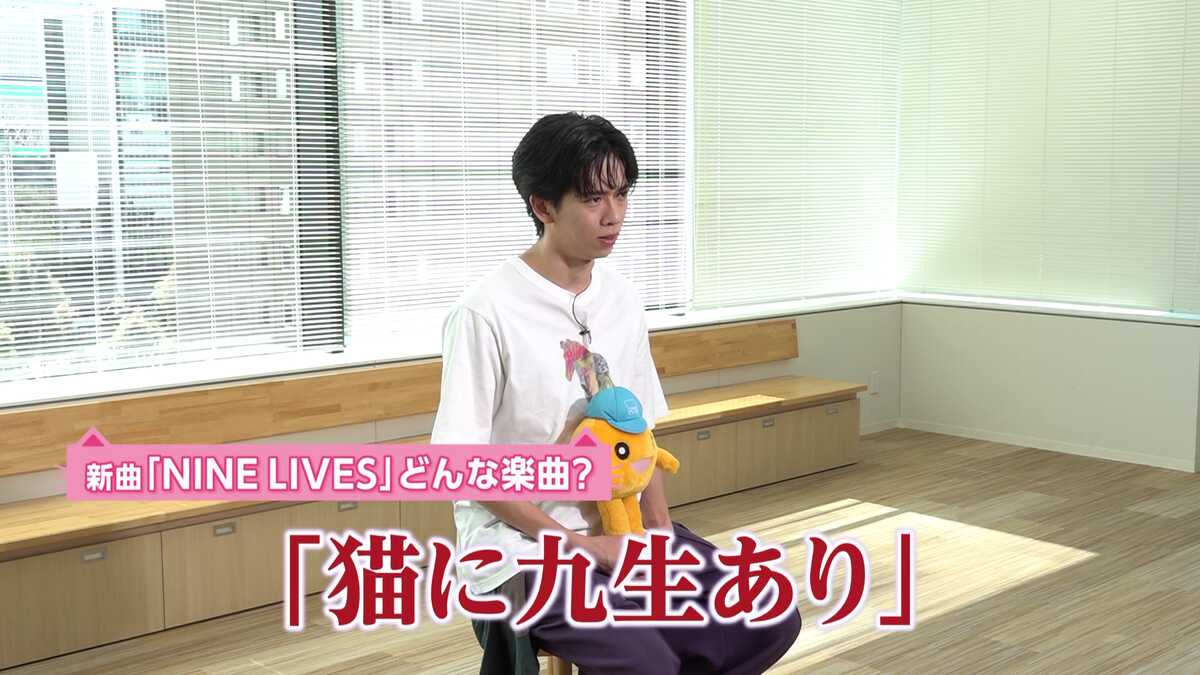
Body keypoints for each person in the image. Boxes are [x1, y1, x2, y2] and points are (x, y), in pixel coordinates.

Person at [430, 112, 801, 674]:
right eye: (593, 199)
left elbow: (639, 431)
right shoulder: (485, 312)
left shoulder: (622, 300)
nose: (614, 215)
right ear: (542, 206)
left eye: (621, 194)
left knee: (768, 616)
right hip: (523, 546)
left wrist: (659, 536)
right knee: (648, 661)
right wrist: (579, 547)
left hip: (622, 527)